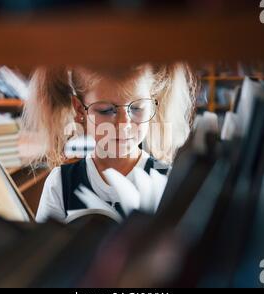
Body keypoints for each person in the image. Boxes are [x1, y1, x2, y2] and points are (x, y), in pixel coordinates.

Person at [22, 63, 196, 222]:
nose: (123, 125)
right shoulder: (60, 183)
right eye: (106, 110)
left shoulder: (168, 181)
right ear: (79, 109)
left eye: (137, 108)